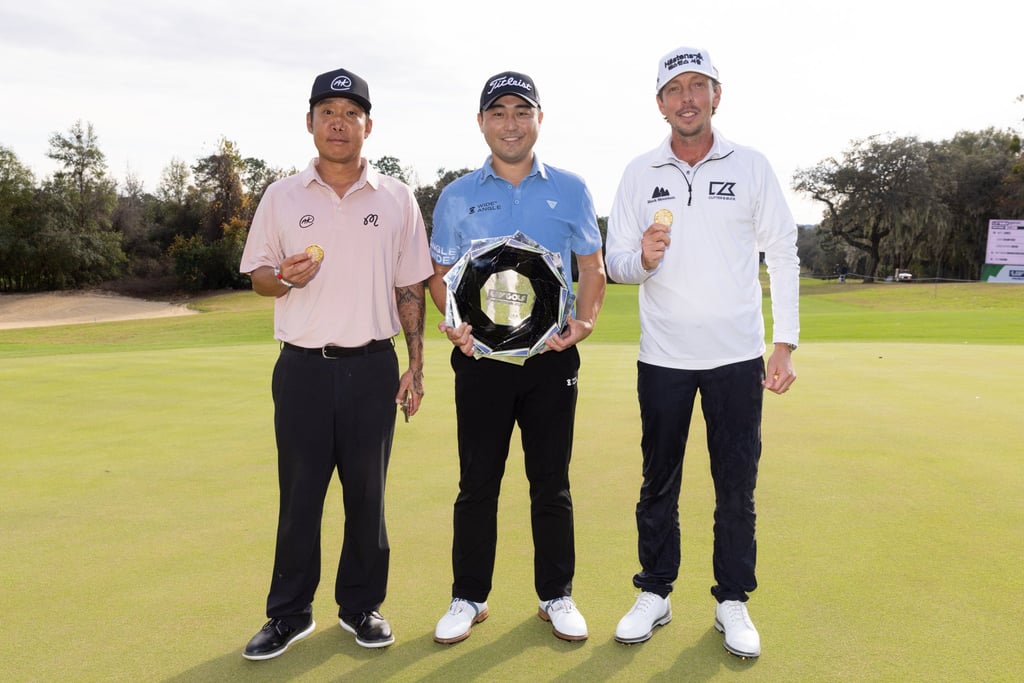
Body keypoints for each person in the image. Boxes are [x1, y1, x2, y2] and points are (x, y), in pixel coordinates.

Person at [605, 46, 800, 658]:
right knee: (657, 481)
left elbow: (785, 251)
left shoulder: (751, 166)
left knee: (735, 486)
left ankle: (732, 601)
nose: (687, 97)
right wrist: (644, 260)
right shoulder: (639, 172)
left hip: (736, 356)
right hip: (663, 356)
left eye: (699, 85)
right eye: (675, 88)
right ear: (659, 102)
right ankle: (655, 592)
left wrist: (784, 344)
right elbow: (615, 264)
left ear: (718, 95)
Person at [238, 67, 433, 660]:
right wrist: (283, 279)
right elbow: (258, 277)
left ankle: (361, 607)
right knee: (299, 496)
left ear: (368, 125)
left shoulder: (398, 197)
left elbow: (411, 287)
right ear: (310, 123)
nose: (339, 124)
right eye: (328, 112)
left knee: (367, 497)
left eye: (351, 113)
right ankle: (289, 614)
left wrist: (415, 364)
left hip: (374, 366)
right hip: (302, 368)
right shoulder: (281, 195)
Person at [427, 71, 606, 644]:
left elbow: (591, 268)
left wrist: (585, 322)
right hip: (480, 361)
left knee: (550, 481)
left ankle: (556, 595)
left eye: (521, 111)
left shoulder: (572, 189)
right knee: (478, 482)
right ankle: (468, 597)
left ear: (538, 120)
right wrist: (453, 324)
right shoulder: (456, 196)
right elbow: (439, 274)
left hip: (551, 360)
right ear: (481, 122)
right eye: (498, 112)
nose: (510, 123)